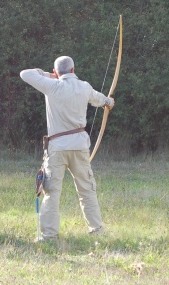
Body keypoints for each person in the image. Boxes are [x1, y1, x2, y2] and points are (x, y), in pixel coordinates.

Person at [20, 56, 114, 241]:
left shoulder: (52, 85)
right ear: (73, 70)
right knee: (86, 189)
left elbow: (26, 74)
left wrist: (49, 75)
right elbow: (101, 100)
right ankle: (96, 229)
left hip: (58, 148)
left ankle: (49, 236)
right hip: (79, 147)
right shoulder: (84, 86)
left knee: (52, 192)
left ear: (57, 72)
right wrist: (108, 102)